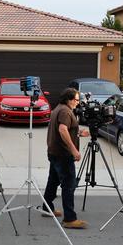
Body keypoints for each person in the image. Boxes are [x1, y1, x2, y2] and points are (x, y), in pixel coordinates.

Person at [42, 88, 89, 229]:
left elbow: (64, 129)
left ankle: (47, 207)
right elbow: (62, 130)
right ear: (69, 99)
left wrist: (78, 133)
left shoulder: (59, 108)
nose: (78, 102)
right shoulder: (65, 111)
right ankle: (70, 219)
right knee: (69, 185)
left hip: (54, 152)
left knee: (53, 181)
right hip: (63, 155)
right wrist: (74, 150)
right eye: (76, 99)